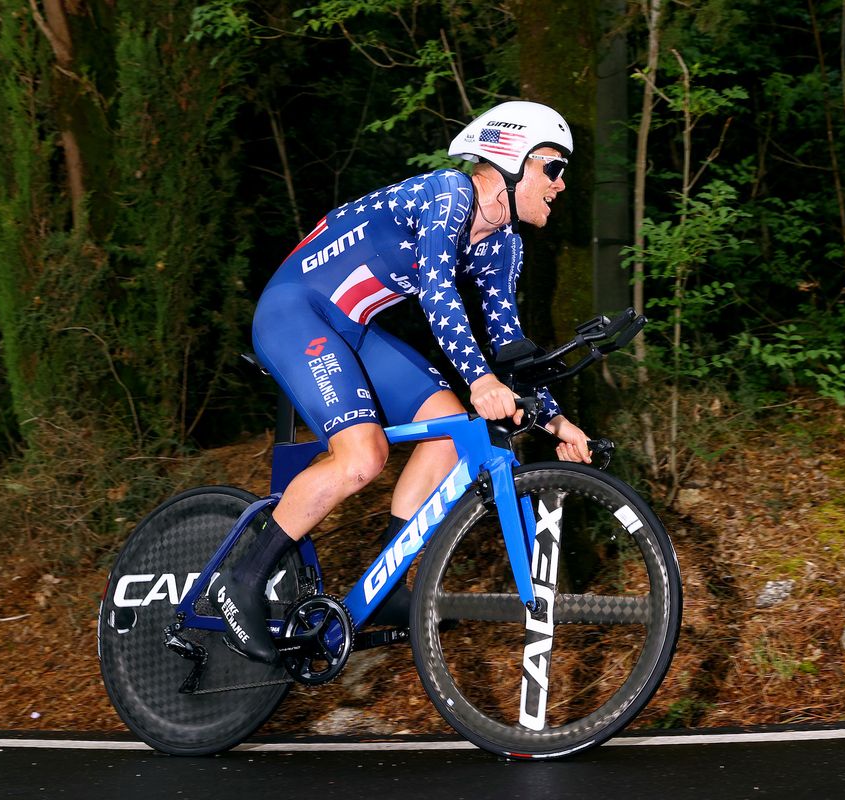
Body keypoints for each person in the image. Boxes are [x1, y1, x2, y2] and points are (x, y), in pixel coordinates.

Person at [210, 101, 593, 664]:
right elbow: (440, 294)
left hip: (351, 327)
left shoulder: (502, 243)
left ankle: (388, 586)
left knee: (449, 430)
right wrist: (480, 379)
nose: (561, 186)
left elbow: (510, 345)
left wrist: (557, 419)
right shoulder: (447, 195)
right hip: (296, 312)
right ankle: (241, 580)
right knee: (363, 458)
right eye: (553, 169)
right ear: (511, 159)